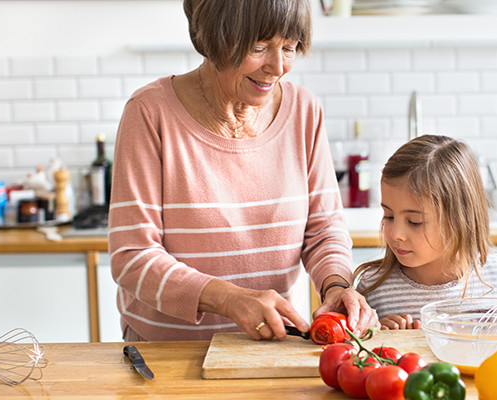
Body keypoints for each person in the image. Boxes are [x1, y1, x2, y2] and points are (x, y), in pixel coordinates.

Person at [108, 0, 377, 342]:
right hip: (167, 355)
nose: (277, 66)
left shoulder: (304, 111)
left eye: (290, 48)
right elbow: (132, 257)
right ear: (214, 38)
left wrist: (336, 285)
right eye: (259, 47)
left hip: (268, 346)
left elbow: (323, 229)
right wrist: (228, 299)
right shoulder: (149, 112)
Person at [354, 135, 497, 330]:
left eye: (415, 222)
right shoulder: (373, 289)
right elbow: (355, 351)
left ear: (459, 219)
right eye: (389, 216)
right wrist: (378, 335)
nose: (396, 233)